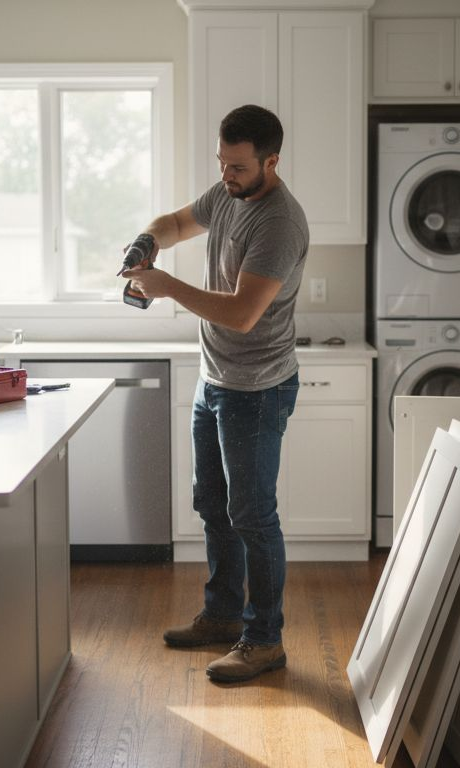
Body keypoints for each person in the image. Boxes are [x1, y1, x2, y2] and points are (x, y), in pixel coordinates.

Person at [122, 104, 308, 683]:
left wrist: (168, 286)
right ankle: (224, 615)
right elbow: (177, 223)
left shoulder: (279, 223)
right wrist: (146, 241)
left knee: (253, 515)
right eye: (222, 164)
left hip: (256, 389)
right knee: (213, 504)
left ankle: (264, 639)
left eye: (238, 167)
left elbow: (242, 314)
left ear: (271, 162)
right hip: (216, 380)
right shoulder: (230, 191)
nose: (226, 176)